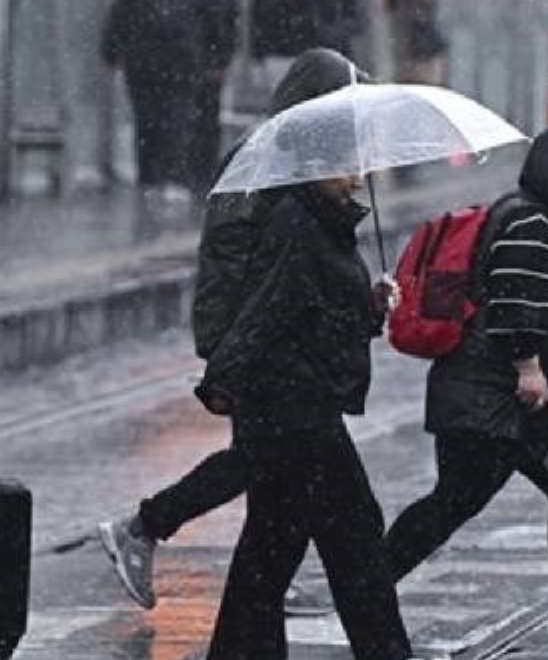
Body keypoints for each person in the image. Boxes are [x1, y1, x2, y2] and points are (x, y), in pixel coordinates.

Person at [188, 112, 449, 660]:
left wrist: (369, 302)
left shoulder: (325, 223)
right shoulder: (298, 224)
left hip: (294, 400)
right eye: (347, 163)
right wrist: (222, 376)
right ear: (316, 168)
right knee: (354, 527)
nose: (359, 175)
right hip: (291, 404)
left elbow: (321, 313)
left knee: (274, 538)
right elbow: (270, 308)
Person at [97, 48, 369, 615]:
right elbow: (237, 261)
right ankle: (145, 527)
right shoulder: (267, 163)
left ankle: (251, 576)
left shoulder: (291, 161)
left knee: (269, 467)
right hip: (258, 344)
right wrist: (226, 347)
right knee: (269, 463)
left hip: (268, 342)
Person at [380, 129, 548, 638]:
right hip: (500, 400)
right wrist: (528, 367)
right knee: (457, 501)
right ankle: (368, 588)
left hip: (509, 402)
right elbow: (516, 303)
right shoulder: (530, 225)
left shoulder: (528, 218)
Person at [101, 0, 212, 201]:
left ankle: (148, 177)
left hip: (140, 64)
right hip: (182, 65)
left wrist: (111, 51)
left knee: (146, 120)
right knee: (176, 120)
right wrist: (212, 58)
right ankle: (173, 178)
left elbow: (119, 15)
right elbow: (214, 22)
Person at [188, 0, 240, 195]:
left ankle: (204, 172)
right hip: (193, 62)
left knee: (208, 119)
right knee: (195, 119)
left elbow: (228, 23)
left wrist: (221, 59)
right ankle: (196, 172)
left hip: (208, 62)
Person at [386, 0, 447, 85]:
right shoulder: (406, 9)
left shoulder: (422, 5)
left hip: (422, 70)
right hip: (417, 71)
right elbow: (410, 43)